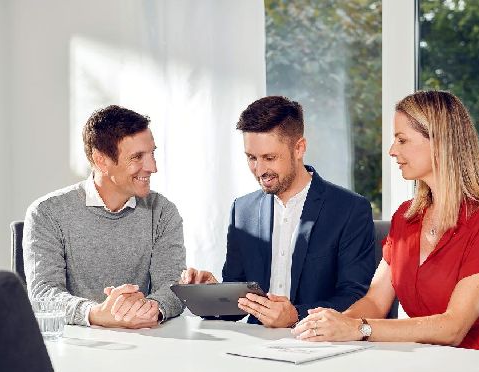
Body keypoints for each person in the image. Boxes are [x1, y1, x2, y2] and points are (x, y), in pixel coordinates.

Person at [292, 90, 479, 350]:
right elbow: (375, 302)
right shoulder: (405, 217)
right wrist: (333, 324)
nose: (392, 150)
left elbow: (453, 328)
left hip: (473, 368)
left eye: (402, 140)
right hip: (416, 360)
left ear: (439, 142)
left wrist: (357, 329)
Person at [182, 96, 377, 328]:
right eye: (251, 158)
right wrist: (213, 294)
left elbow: (356, 297)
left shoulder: (349, 209)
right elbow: (239, 302)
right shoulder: (242, 210)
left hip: (321, 341)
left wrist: (296, 315)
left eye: (270, 158)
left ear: (299, 148)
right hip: (255, 342)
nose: (259, 170)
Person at [24, 105, 185, 328]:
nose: (153, 167)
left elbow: (173, 287)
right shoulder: (47, 212)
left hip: (144, 338)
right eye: (137, 157)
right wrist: (96, 313)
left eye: (152, 154)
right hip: (75, 342)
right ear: (101, 160)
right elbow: (44, 294)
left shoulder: (163, 211)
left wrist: (151, 308)